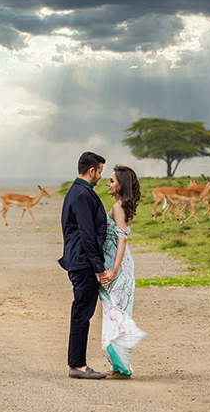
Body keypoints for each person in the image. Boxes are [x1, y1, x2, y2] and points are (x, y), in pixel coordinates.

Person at [59, 151, 110, 379]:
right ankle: (78, 365)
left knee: (81, 310)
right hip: (83, 262)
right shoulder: (82, 194)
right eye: (100, 172)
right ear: (92, 171)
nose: (100, 176)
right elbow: (87, 234)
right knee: (82, 311)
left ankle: (76, 363)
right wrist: (99, 267)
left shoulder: (79, 191)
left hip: (80, 260)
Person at [99, 165, 146, 377]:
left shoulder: (119, 207)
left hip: (118, 266)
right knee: (116, 314)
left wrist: (114, 270)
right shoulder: (122, 206)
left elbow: (121, 241)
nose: (108, 184)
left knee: (114, 314)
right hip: (120, 265)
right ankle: (119, 366)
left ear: (120, 185)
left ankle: (122, 367)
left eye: (111, 180)